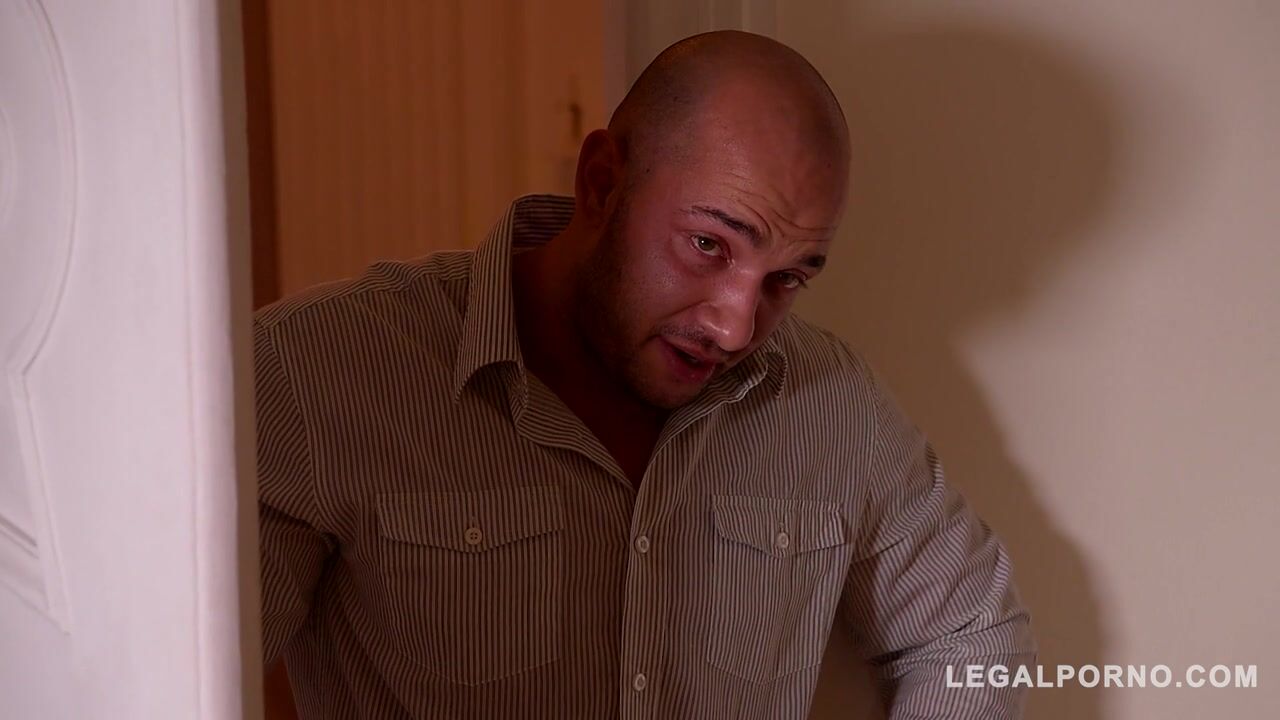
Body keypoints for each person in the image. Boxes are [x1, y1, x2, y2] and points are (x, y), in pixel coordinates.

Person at [255, 30, 1036, 719]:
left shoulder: (831, 402)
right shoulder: (315, 372)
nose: (735, 327)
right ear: (602, 182)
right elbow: (187, 670)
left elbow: (975, 634)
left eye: (788, 277)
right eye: (709, 245)